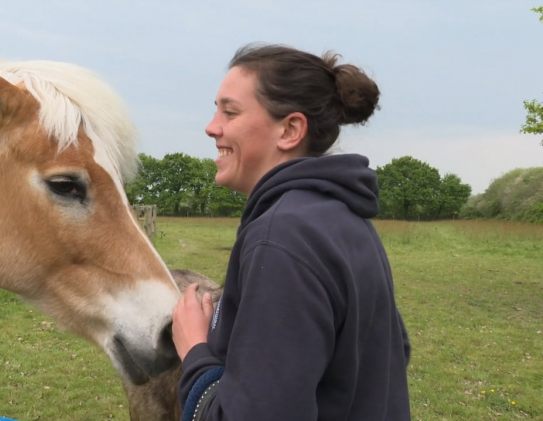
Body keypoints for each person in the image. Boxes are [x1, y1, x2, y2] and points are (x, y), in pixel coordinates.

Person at [172, 43, 411, 420]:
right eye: (215, 109)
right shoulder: (344, 218)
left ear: (290, 130)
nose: (211, 126)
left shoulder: (282, 237)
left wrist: (195, 351)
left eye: (229, 111)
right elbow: (390, 352)